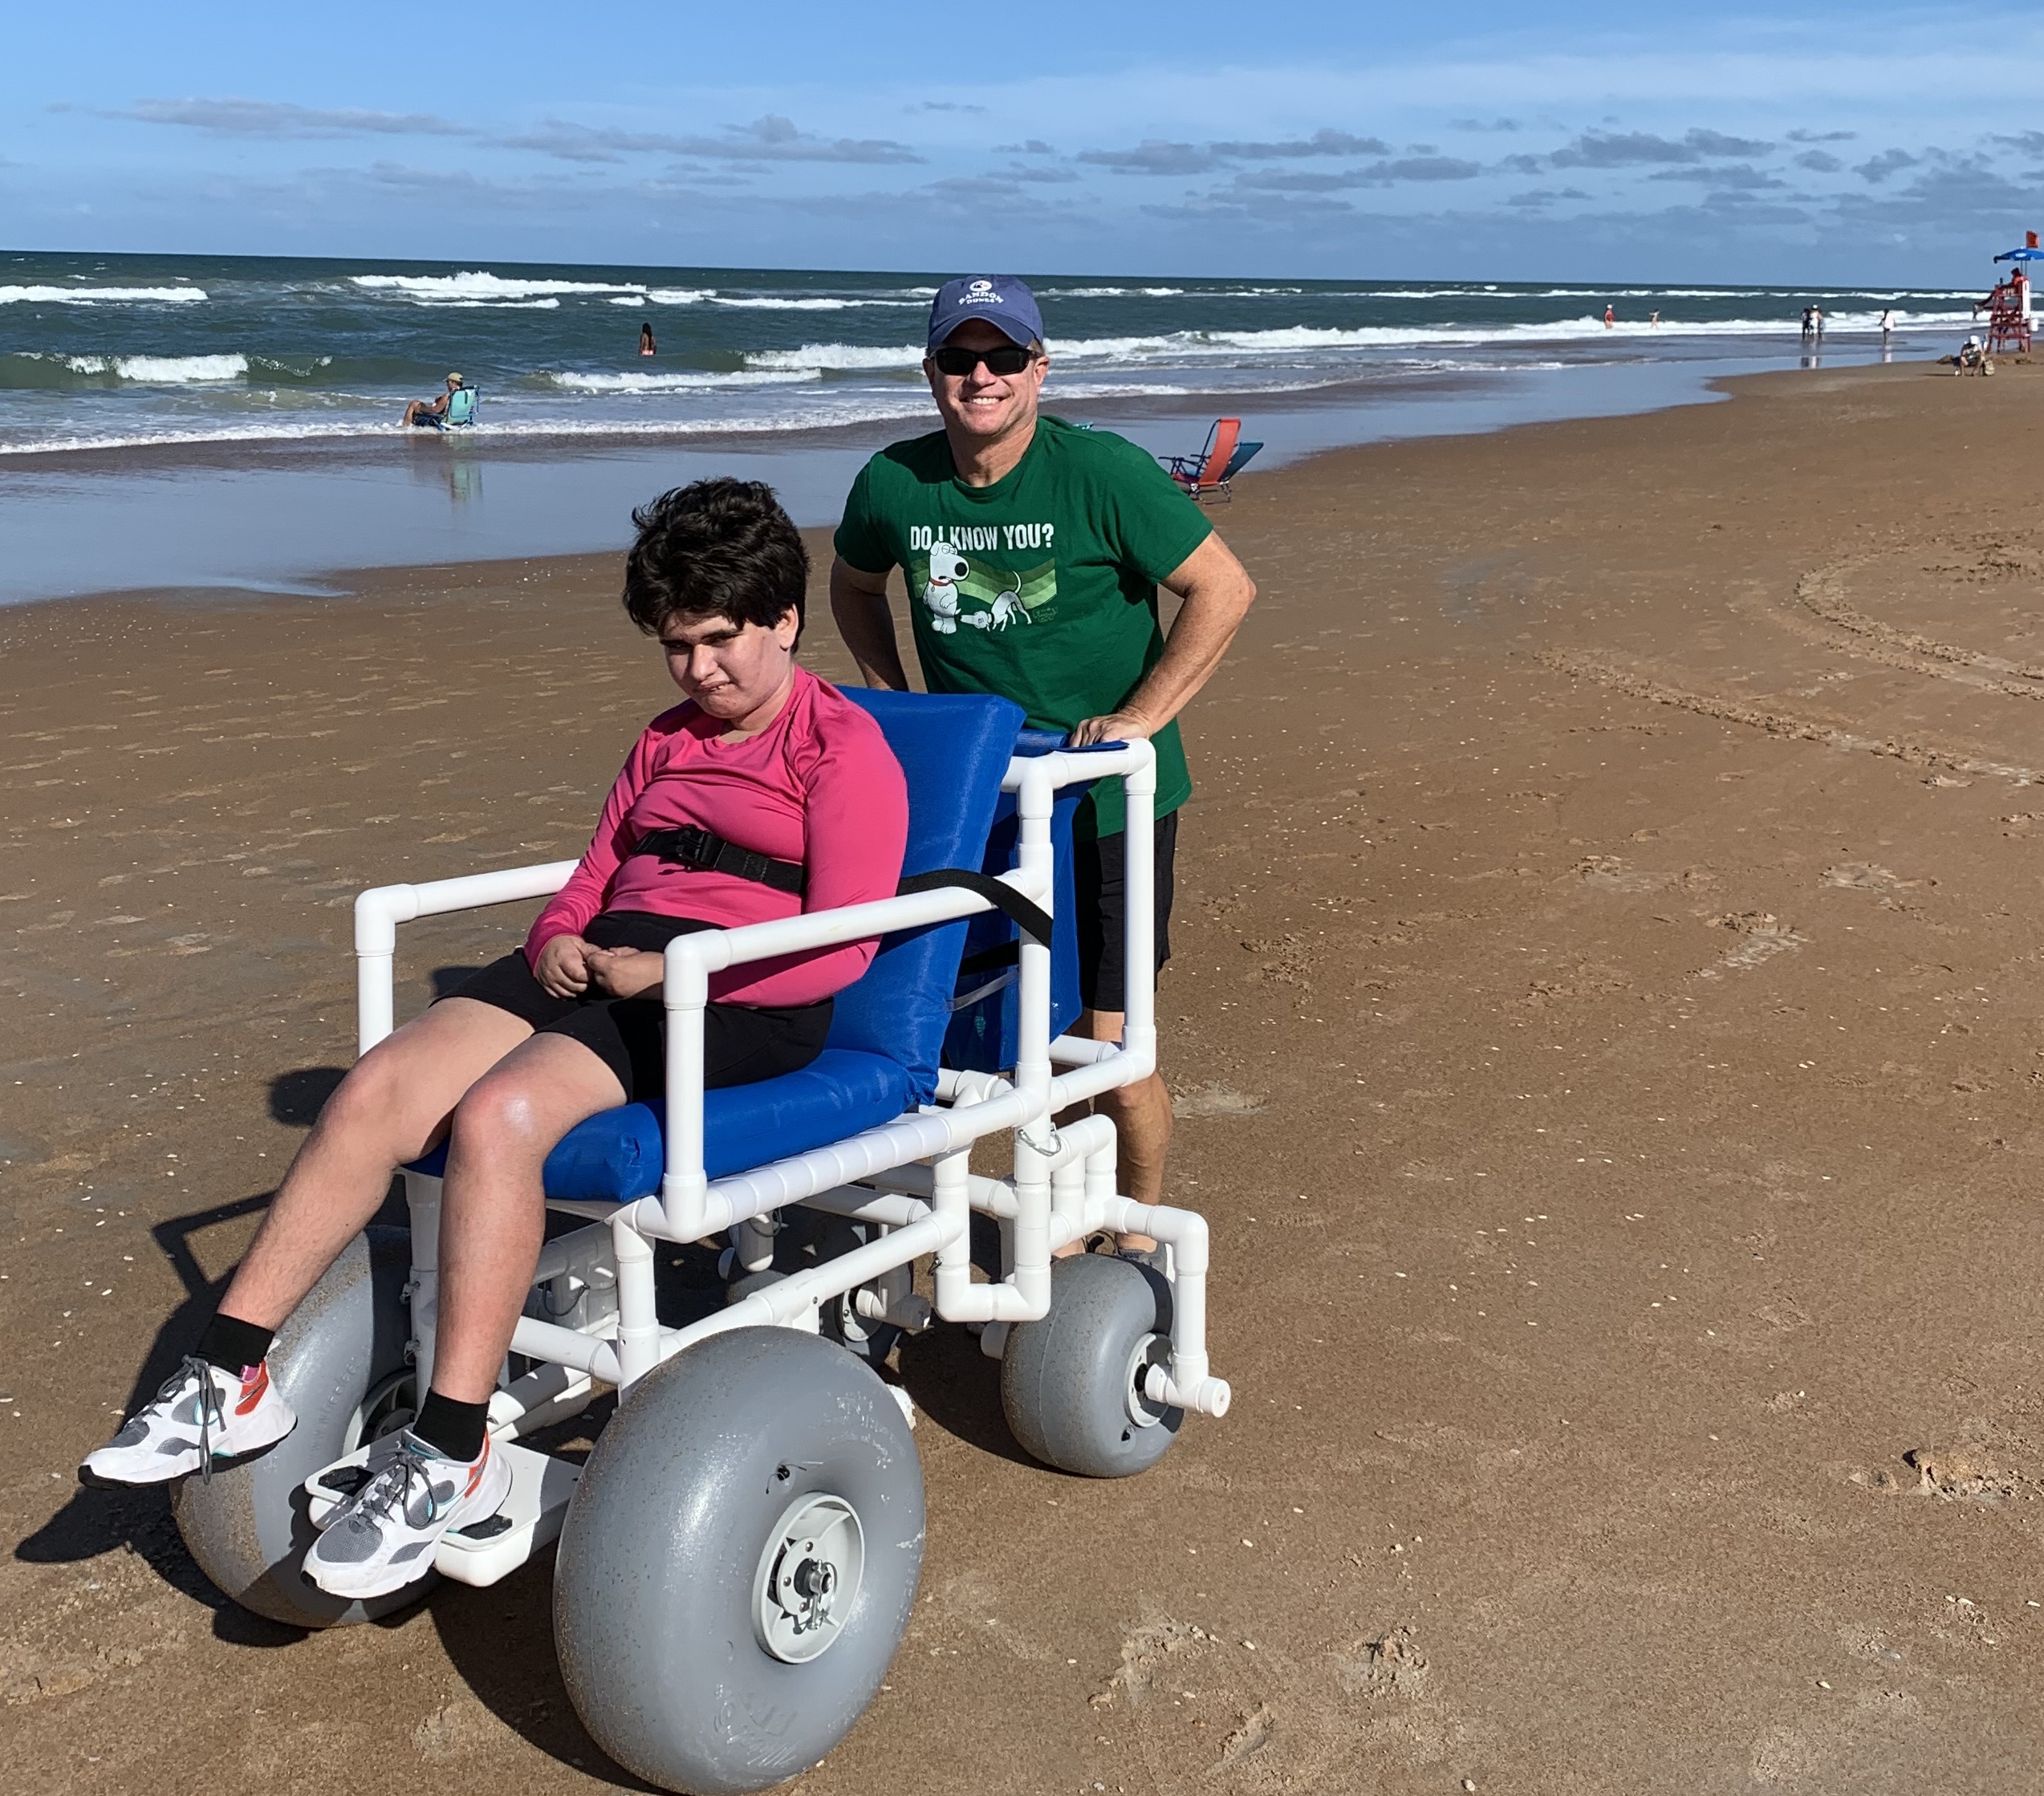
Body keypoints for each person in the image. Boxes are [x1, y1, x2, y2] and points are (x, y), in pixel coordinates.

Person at [83, 479, 908, 1598]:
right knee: (381, 1088)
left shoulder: (841, 747)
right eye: (677, 646)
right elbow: (592, 874)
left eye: (722, 642)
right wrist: (565, 935)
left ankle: (453, 1451)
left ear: (784, 622)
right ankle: (229, 1374)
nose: (700, 671)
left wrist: (673, 970)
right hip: (606, 964)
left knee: (498, 1117)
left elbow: (845, 946)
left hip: (735, 996)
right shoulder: (664, 742)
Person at [831, 275, 1254, 1254]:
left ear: (1039, 368)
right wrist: (895, 698)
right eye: (959, 358)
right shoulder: (895, 482)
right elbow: (855, 586)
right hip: (980, 797)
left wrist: (1139, 718)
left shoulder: (1101, 474)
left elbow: (1223, 590)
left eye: (1004, 357)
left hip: (1106, 804)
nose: (981, 377)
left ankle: (1134, 1230)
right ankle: (1061, 1215)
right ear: (930, 370)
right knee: (1003, 1024)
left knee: (1104, 1043)